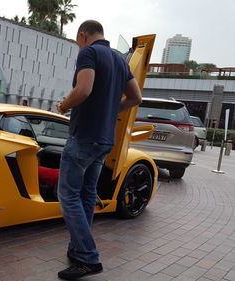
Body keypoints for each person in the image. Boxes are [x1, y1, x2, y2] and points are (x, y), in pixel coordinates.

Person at [55, 20, 142, 280]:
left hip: (84, 136)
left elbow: (83, 89)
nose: (78, 45)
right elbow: (136, 98)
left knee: (68, 197)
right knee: (85, 196)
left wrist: (63, 106)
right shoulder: (119, 60)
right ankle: (77, 249)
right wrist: (111, 111)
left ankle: (88, 257)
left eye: (77, 40)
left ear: (83, 36)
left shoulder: (89, 52)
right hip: (105, 139)